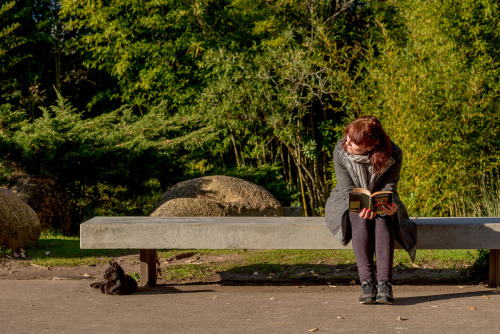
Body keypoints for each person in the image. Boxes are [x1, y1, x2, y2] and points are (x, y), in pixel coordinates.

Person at [325, 116, 416, 304]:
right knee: (358, 216)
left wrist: (387, 204)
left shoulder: (394, 153)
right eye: (347, 138)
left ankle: (384, 284)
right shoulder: (340, 151)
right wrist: (362, 204)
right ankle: (366, 282)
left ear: (372, 145)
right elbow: (346, 187)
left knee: (384, 217)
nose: (346, 144)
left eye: (353, 143)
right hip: (346, 197)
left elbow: (390, 186)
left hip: (379, 197)